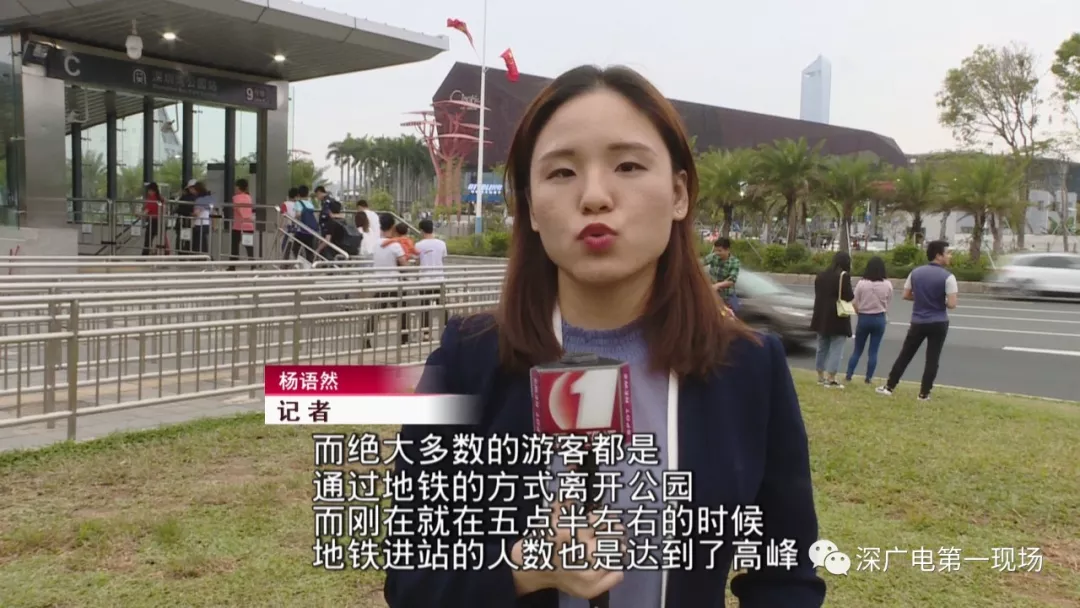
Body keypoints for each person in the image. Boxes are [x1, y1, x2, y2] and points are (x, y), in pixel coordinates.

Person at [383, 65, 824, 607]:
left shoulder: (750, 367)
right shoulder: (465, 360)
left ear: (679, 193)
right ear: (531, 208)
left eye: (628, 166)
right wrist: (522, 567)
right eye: (562, 172)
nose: (594, 196)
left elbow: (786, 573)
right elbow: (409, 579)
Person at [877, 240, 958, 400]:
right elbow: (952, 304)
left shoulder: (915, 273)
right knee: (932, 358)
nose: (949, 256)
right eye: (947, 253)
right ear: (938, 255)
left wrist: (921, 298)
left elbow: (906, 295)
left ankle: (889, 386)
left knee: (906, 354)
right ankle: (924, 394)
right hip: (939, 321)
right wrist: (938, 301)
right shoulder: (949, 277)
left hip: (918, 321)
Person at [810, 251, 855, 388]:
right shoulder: (843, 276)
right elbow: (849, 296)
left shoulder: (821, 275)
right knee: (837, 346)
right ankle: (831, 377)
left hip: (821, 315)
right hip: (837, 316)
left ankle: (820, 375)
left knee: (822, 346)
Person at [845, 256, 892, 384]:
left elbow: (854, 301)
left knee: (857, 350)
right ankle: (868, 378)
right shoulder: (887, 284)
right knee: (873, 351)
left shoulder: (862, 283)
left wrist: (859, 312)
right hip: (879, 318)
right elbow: (888, 301)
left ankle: (849, 374)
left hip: (864, 317)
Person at [365, 212, 409, 347]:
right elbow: (404, 264)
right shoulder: (395, 245)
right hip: (394, 285)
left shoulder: (376, 244)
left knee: (375, 313)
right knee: (403, 312)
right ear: (393, 226)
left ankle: (366, 338)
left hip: (380, 284)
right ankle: (404, 339)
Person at [413, 217, 448, 335]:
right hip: (439, 280)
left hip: (425, 280)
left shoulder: (418, 245)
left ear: (422, 231)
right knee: (442, 306)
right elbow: (443, 259)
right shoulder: (442, 244)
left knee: (425, 308)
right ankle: (447, 330)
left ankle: (426, 334)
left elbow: (417, 262)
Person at [704, 236, 741, 313]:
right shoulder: (713, 257)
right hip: (714, 295)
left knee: (735, 312)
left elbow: (732, 280)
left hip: (728, 295)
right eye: (715, 251)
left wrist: (718, 285)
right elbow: (699, 264)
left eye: (720, 251)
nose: (717, 253)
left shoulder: (735, 262)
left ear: (727, 250)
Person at [227, 178, 255, 271]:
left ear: (238, 187)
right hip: (249, 225)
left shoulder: (236, 197)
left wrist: (243, 215)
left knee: (235, 246)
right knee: (249, 246)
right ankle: (253, 264)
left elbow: (239, 209)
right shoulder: (248, 197)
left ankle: (232, 266)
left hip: (238, 226)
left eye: (236, 186)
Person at [140, 182, 165, 256]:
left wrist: (138, 214)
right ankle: (160, 254)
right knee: (160, 240)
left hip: (153, 221)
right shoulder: (160, 198)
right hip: (160, 221)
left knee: (148, 240)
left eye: (149, 190)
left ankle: (144, 256)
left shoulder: (152, 199)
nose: (148, 192)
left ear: (151, 190)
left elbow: (146, 212)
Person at [191, 182, 214, 255]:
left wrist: (191, 214)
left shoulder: (199, 200)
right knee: (203, 243)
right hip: (207, 223)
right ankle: (206, 257)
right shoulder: (209, 198)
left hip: (199, 224)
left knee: (198, 244)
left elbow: (197, 213)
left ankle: (202, 258)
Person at [175, 179, 197, 254]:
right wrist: (190, 213)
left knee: (182, 238)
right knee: (186, 238)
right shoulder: (192, 198)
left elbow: (178, 209)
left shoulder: (185, 197)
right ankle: (185, 253)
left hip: (183, 220)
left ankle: (181, 253)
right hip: (187, 221)